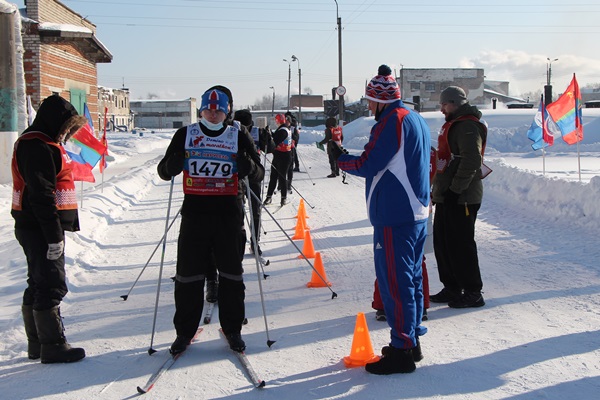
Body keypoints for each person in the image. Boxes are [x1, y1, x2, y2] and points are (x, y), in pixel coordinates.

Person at [335, 65, 431, 375]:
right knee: (410, 278)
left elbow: (367, 163)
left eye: (369, 102)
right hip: (414, 210)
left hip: (395, 213)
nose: (368, 107)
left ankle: (402, 349)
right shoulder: (414, 118)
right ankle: (411, 340)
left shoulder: (392, 121)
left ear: (380, 101)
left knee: (395, 281)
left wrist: (339, 157)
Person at [157, 87, 264, 354]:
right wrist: (173, 164)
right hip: (195, 214)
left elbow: (259, 172)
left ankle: (232, 329)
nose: (213, 115)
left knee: (231, 275)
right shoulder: (186, 134)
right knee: (188, 275)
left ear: (226, 111)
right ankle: (184, 332)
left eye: (218, 110)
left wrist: (247, 167)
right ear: (201, 110)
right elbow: (163, 171)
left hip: (228, 213)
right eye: (208, 109)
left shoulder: (238, 135)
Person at [11, 94, 87, 364]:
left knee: (39, 281)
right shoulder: (37, 145)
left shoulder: (40, 141)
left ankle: (38, 344)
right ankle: (53, 345)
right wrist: (54, 235)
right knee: (51, 284)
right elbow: (42, 195)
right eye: (66, 126)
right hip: (39, 227)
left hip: (33, 225)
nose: (67, 132)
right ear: (54, 120)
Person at [430, 86, 487, 308]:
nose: (442, 109)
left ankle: (473, 291)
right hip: (447, 195)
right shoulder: (454, 125)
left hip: (462, 198)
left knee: (461, 245)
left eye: (444, 104)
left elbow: (471, 160)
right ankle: (452, 287)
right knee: (443, 243)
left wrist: (455, 189)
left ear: (454, 103)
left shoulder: (468, 126)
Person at [233, 108, 274, 256]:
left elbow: (271, 149)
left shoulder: (257, 131)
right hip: (237, 176)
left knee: (255, 210)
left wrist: (268, 138)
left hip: (253, 174)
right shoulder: (230, 132)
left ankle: (255, 242)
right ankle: (241, 242)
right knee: (240, 211)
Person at [264, 113, 293, 206]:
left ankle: (283, 198)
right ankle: (269, 196)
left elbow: (275, 141)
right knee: (273, 177)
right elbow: (275, 137)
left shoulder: (283, 130)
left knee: (282, 177)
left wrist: (269, 136)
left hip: (284, 156)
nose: (275, 123)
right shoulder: (282, 129)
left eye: (276, 121)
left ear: (278, 121)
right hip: (278, 155)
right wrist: (270, 133)